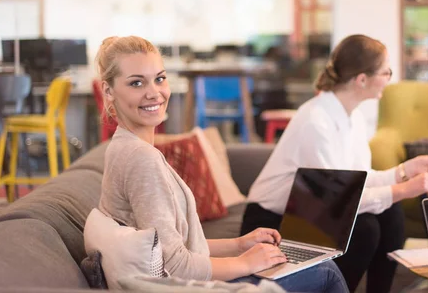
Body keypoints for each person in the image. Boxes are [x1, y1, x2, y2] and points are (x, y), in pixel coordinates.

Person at [95, 36, 349, 293]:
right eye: (136, 83)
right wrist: (244, 263)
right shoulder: (141, 158)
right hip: (187, 287)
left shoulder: (123, 146)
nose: (154, 93)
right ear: (108, 91)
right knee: (325, 271)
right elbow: (176, 266)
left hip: (181, 280)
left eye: (159, 79)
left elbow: (172, 247)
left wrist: (239, 245)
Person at [241, 34, 428, 293]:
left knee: (390, 213)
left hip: (312, 210)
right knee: (364, 228)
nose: (389, 77)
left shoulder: (352, 117)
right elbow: (340, 200)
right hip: (272, 220)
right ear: (362, 79)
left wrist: (404, 171)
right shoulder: (316, 121)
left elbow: (357, 179)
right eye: (386, 71)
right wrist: (404, 189)